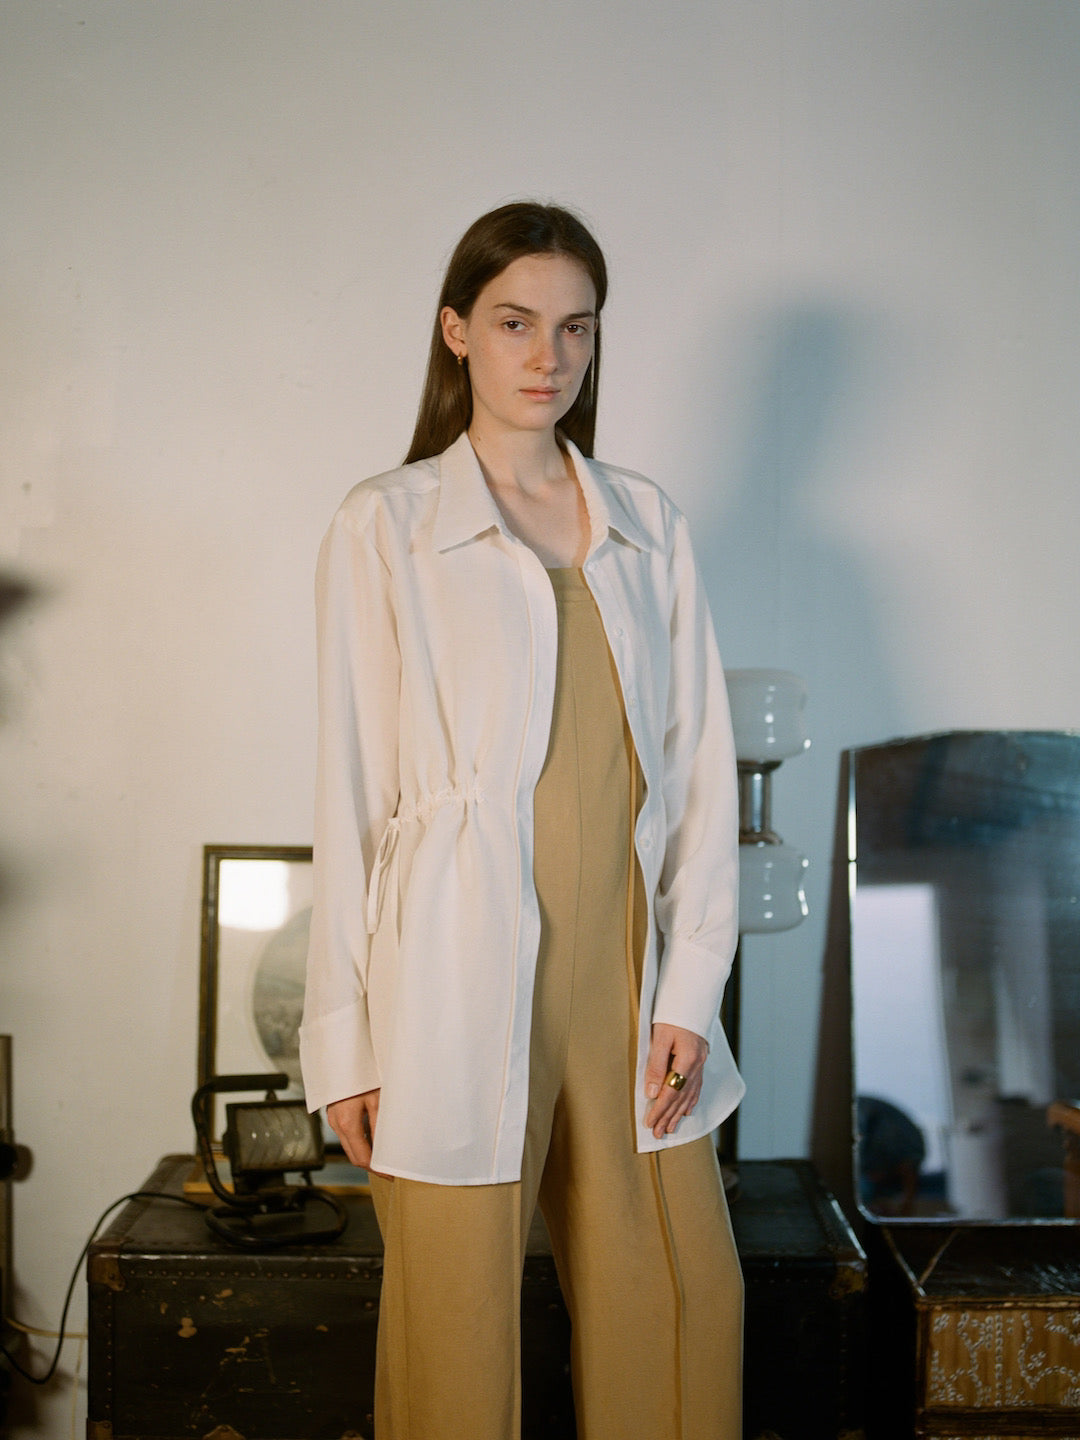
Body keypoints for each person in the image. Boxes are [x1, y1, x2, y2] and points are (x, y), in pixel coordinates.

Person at [300, 201, 744, 1440]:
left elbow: (700, 766)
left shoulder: (650, 527)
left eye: (574, 329)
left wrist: (688, 992)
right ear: (456, 333)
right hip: (451, 979)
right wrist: (345, 1043)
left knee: (677, 1308)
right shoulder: (384, 527)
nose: (546, 355)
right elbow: (349, 792)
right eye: (513, 322)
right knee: (454, 1336)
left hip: (625, 978)